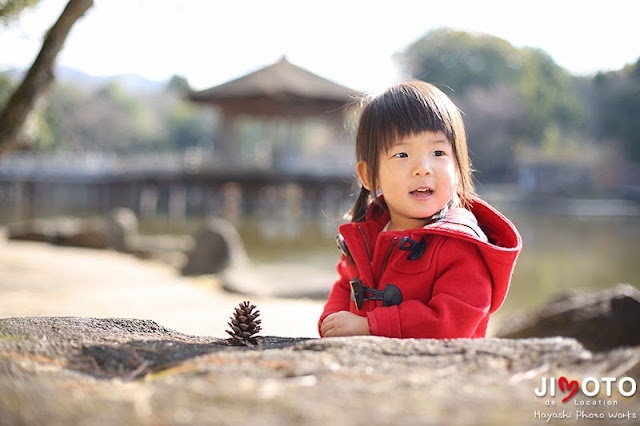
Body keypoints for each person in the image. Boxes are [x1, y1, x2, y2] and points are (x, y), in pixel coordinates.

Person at [319, 80, 522, 339]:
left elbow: (451, 324)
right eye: (402, 155)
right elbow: (345, 285)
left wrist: (370, 325)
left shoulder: (460, 245)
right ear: (368, 175)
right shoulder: (366, 236)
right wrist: (331, 322)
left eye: (438, 153)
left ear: (458, 169)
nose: (423, 168)